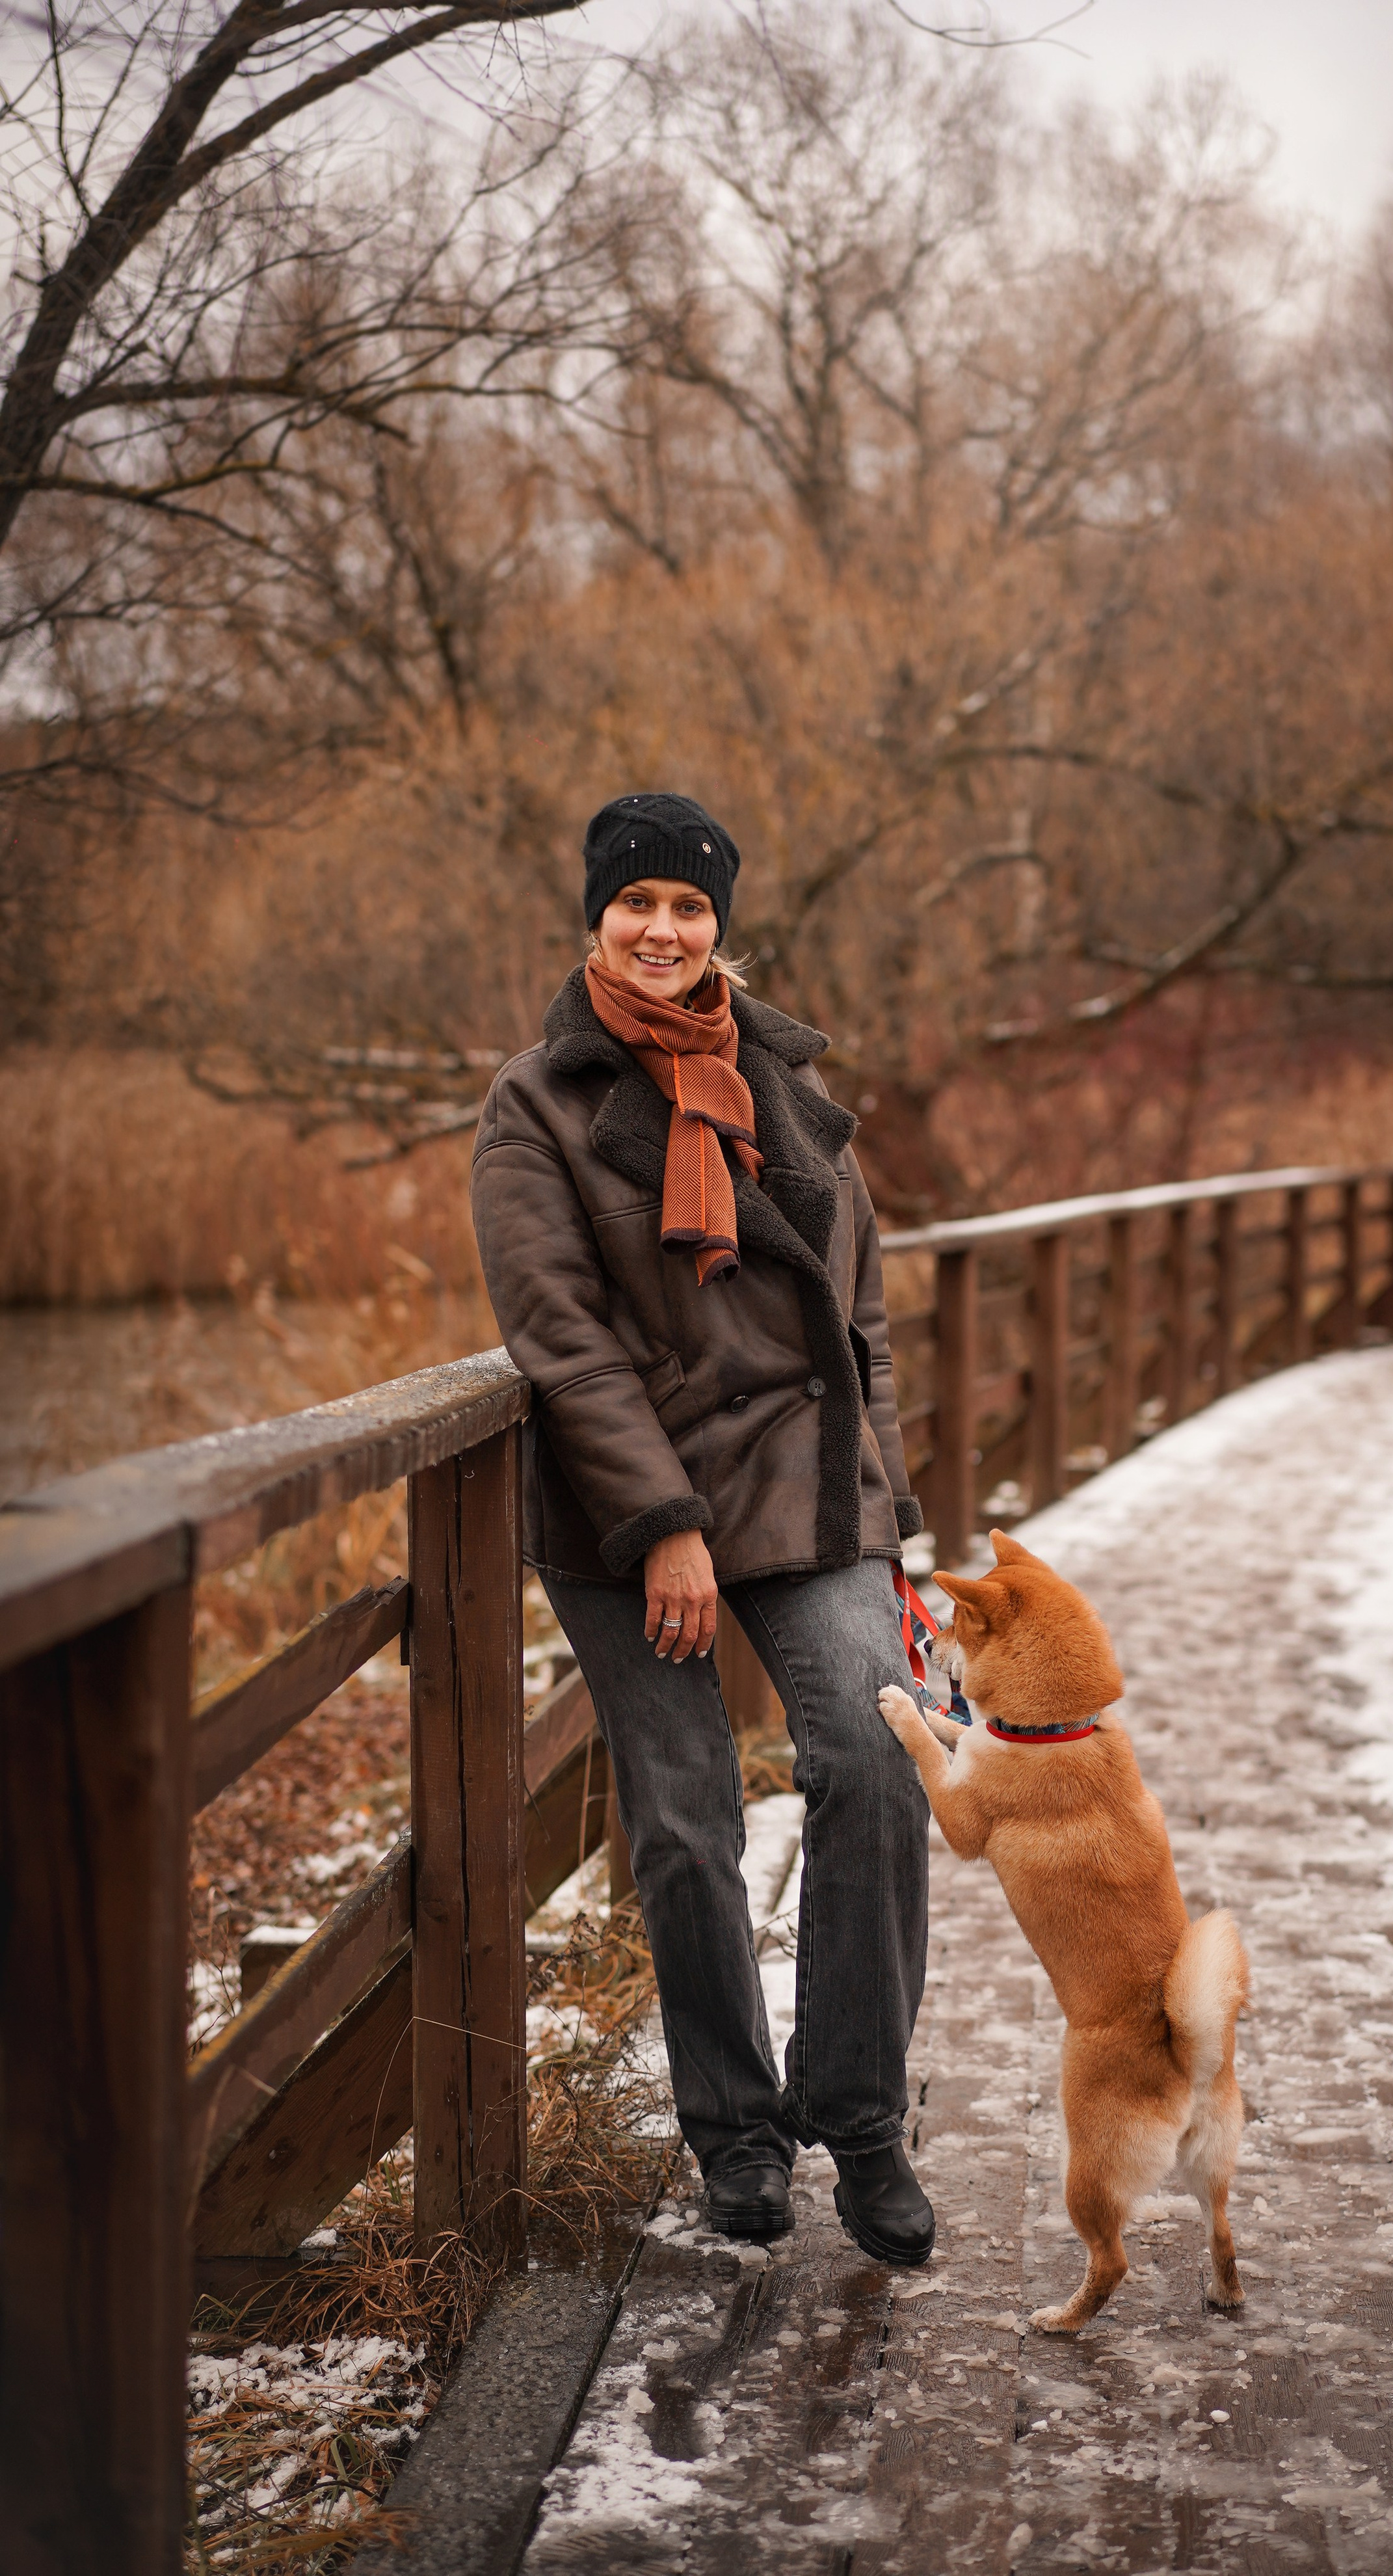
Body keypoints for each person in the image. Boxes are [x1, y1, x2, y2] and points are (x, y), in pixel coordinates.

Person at [470, 791, 935, 2262]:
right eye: (636, 906)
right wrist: (662, 1521)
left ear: (718, 924)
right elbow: (560, 1339)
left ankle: (857, 2115)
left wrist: (884, 1502)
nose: (662, 930)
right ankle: (733, 2136)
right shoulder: (536, 1101)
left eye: (689, 908)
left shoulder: (781, 1074)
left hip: (804, 1477)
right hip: (632, 1491)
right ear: (594, 917)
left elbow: (855, 1310)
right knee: (685, 1820)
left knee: (877, 1750)